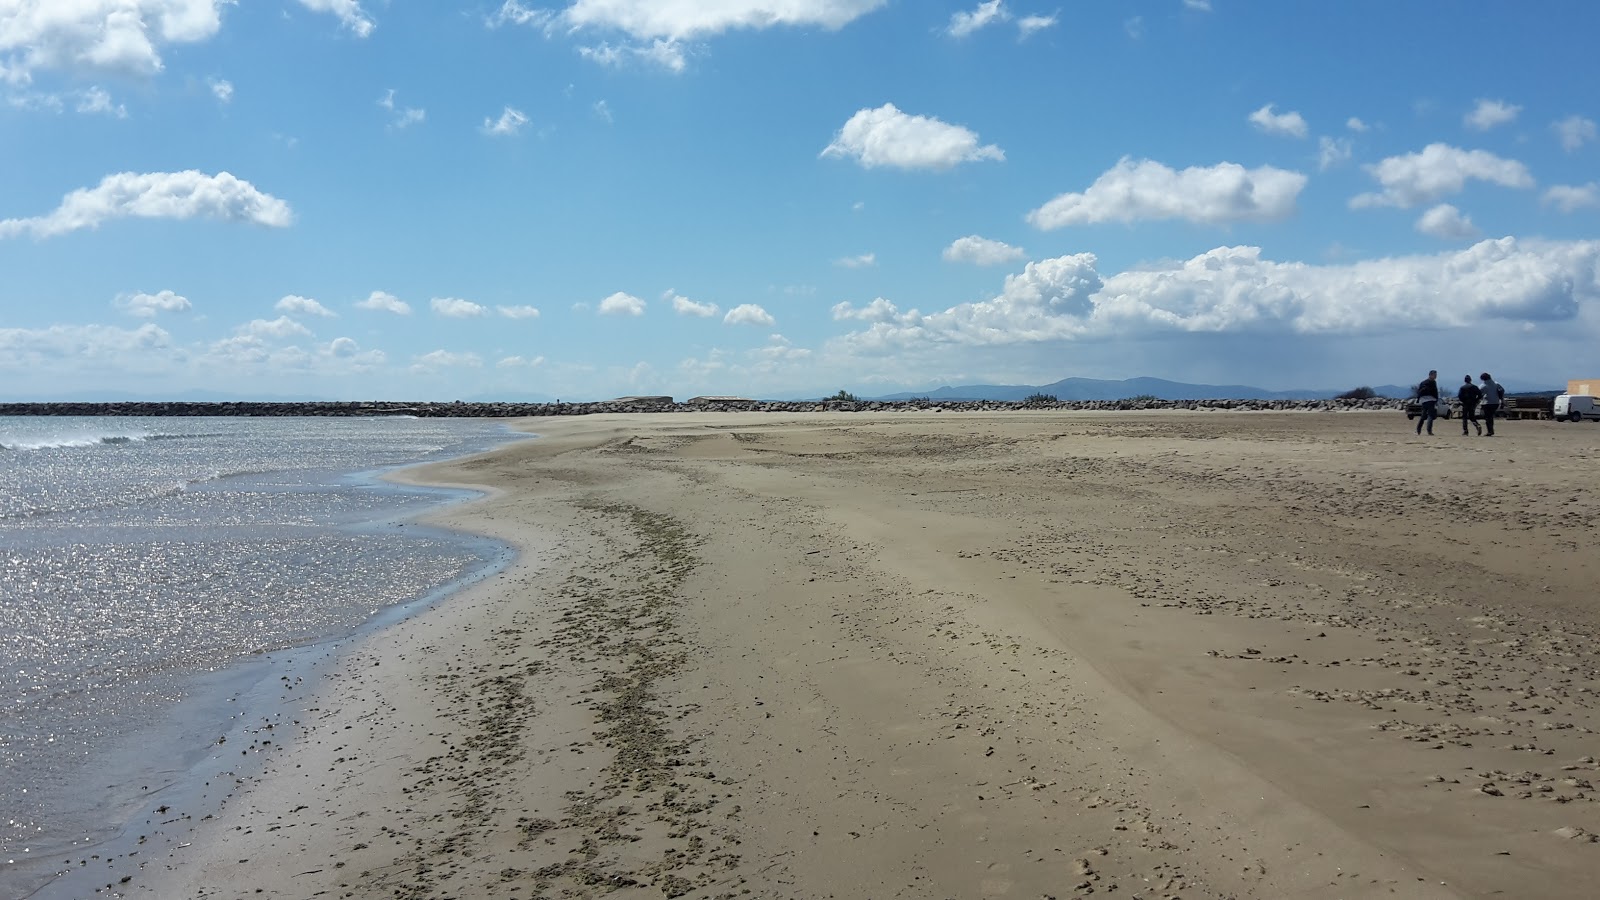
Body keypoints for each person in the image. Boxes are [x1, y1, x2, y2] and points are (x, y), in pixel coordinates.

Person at [1414, 369, 1441, 435]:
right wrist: (1436, 399)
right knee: (1430, 416)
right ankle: (1429, 431)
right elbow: (1435, 392)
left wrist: (1418, 399)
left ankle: (1418, 429)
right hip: (1431, 400)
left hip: (1423, 400)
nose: (1435, 376)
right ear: (1431, 375)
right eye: (1435, 375)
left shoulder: (1423, 382)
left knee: (1423, 416)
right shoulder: (1433, 382)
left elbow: (1419, 392)